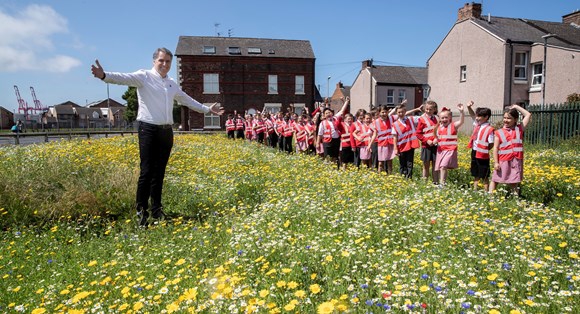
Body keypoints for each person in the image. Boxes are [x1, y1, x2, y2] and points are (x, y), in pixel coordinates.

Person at [90, 47, 223, 226]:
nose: (164, 64)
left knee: (159, 173)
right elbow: (123, 78)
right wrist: (104, 75)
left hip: (166, 131)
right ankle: (141, 212)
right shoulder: (144, 76)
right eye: (161, 60)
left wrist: (207, 109)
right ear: (154, 61)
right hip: (148, 129)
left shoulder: (171, 83)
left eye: (168, 61)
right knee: (146, 171)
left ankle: (156, 210)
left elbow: (186, 99)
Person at [489, 104, 532, 195]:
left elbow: (528, 114)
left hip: (516, 161)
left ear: (515, 119)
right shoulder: (499, 132)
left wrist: (516, 107)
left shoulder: (519, 129)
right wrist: (496, 162)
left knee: (514, 181)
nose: (506, 120)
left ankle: (515, 199)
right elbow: (495, 148)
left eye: (509, 118)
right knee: (495, 179)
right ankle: (490, 197)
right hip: (503, 160)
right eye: (504, 118)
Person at [466, 101, 494, 191]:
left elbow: (491, 143)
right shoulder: (477, 125)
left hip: (482, 153)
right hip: (474, 151)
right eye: (477, 116)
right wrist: (469, 107)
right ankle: (475, 189)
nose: (477, 118)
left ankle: (486, 191)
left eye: (479, 116)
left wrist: (485, 149)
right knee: (475, 172)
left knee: (484, 173)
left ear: (486, 117)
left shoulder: (489, 129)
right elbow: (472, 115)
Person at [434, 104, 465, 186]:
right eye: (442, 118)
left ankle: (442, 184)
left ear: (450, 118)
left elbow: (461, 121)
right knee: (441, 167)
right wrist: (434, 141)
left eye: (446, 117)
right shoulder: (439, 127)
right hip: (441, 150)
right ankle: (443, 182)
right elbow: (438, 137)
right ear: (440, 119)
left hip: (450, 150)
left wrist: (461, 112)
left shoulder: (453, 125)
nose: (444, 119)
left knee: (443, 166)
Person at [392, 103, 421, 178]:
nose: (400, 114)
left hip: (411, 145)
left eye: (402, 112)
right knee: (402, 163)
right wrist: (395, 149)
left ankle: (409, 177)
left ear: (405, 112)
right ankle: (402, 178)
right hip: (401, 146)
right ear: (396, 113)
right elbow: (395, 137)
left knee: (410, 163)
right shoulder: (395, 124)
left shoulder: (411, 119)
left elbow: (422, 118)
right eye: (399, 112)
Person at [415, 101, 440, 183]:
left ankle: (435, 182)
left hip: (436, 145)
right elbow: (418, 133)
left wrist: (437, 139)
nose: (428, 111)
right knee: (426, 165)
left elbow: (440, 131)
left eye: (430, 109)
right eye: (427, 109)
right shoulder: (421, 119)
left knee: (436, 165)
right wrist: (426, 140)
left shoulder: (438, 118)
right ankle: (424, 182)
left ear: (434, 110)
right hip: (426, 145)